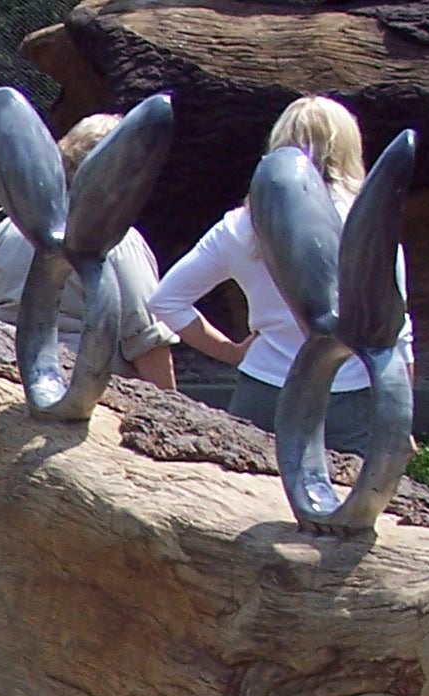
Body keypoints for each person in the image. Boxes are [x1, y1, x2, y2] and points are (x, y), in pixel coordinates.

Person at [147, 95, 412, 454]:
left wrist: (231, 352)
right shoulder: (370, 222)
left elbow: (167, 301)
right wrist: (400, 420)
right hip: (352, 394)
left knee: (246, 501)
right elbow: (397, 331)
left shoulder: (241, 225)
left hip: (264, 391)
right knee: (351, 505)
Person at [0, 115, 178, 389]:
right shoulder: (119, 238)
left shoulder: (10, 227)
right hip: (88, 399)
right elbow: (146, 342)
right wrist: (171, 416)